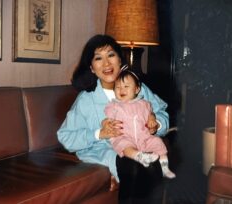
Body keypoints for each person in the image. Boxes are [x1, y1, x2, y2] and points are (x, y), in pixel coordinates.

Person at [57, 34, 169, 203]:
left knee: (153, 164)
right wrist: (99, 134)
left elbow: (162, 112)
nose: (107, 63)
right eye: (98, 58)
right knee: (133, 165)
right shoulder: (85, 100)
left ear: (120, 60)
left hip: (140, 143)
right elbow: (66, 137)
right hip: (105, 150)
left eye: (111, 55)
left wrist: (156, 123)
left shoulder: (138, 87)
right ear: (92, 68)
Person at [105, 68, 176, 179]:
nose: (121, 90)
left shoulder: (144, 104)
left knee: (158, 142)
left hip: (143, 137)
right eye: (117, 87)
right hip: (124, 137)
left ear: (137, 89)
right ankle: (139, 156)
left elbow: (150, 113)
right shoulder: (114, 106)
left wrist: (152, 120)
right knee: (125, 146)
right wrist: (107, 123)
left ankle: (165, 168)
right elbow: (107, 119)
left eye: (126, 86)